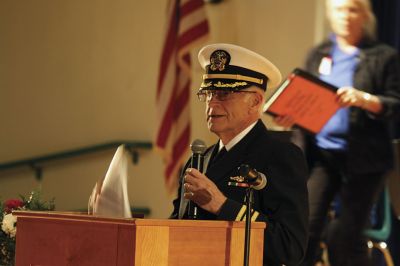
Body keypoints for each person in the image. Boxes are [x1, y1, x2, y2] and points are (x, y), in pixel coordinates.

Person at [274, 0, 400, 265]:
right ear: (331, 14)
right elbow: (305, 97)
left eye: (352, 9)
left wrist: (364, 99)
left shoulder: (383, 56)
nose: (346, 16)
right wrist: (291, 116)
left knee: (343, 237)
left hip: (365, 160)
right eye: (340, 9)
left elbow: (394, 104)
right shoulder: (319, 53)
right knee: (304, 230)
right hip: (322, 157)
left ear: (364, 15)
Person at [170, 43, 309, 266]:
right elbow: (178, 229)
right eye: (208, 93)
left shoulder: (280, 156)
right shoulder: (199, 159)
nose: (211, 104)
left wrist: (222, 205)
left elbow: (289, 247)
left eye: (224, 94)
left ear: (255, 101)